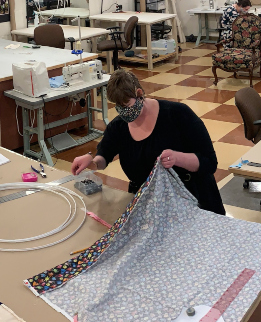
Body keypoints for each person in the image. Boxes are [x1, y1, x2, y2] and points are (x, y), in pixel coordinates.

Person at [71, 70, 224, 214]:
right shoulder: (118, 127)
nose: (123, 112)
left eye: (126, 106)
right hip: (149, 205)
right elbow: (104, 155)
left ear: (139, 93)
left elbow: (209, 162)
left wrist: (177, 158)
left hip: (193, 199)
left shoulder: (178, 114)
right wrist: (92, 162)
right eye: (118, 107)